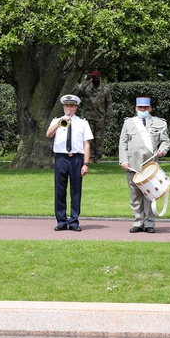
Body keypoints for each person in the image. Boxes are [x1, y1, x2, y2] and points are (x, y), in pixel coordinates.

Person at [118, 96, 170, 233]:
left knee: (150, 195)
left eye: (145, 108)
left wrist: (162, 150)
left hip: (151, 165)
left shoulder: (159, 123)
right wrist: (123, 160)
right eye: (140, 108)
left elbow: (165, 141)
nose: (143, 110)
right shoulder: (129, 123)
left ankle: (149, 223)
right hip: (132, 164)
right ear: (135, 109)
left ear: (150, 108)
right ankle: (138, 222)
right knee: (135, 195)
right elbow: (123, 143)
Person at [46, 94, 92, 232]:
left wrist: (86, 163)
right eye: (67, 106)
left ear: (76, 107)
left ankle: (73, 221)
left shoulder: (82, 122)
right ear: (63, 107)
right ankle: (61, 220)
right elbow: (48, 134)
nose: (69, 108)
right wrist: (61, 121)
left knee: (75, 190)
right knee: (60, 190)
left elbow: (86, 144)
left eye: (72, 106)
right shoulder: (57, 120)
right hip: (61, 157)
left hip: (76, 158)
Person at [75, 70, 112, 161]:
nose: (95, 79)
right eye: (93, 78)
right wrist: (84, 85)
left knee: (99, 139)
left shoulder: (105, 89)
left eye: (96, 78)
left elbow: (109, 104)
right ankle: (90, 157)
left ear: (99, 78)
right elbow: (77, 95)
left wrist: (108, 118)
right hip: (88, 117)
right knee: (88, 138)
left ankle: (98, 157)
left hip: (100, 117)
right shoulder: (87, 88)